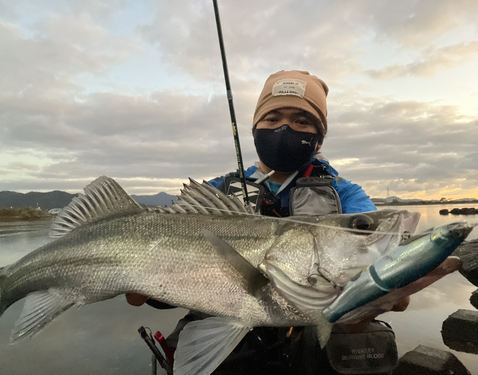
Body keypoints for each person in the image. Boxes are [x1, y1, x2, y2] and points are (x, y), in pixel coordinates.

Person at [126, 70, 409, 374]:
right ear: (255, 128)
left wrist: (373, 300)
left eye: (302, 120)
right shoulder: (213, 193)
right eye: (273, 118)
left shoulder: (346, 195)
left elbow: (390, 283)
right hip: (224, 336)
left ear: (319, 138)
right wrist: (145, 284)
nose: (284, 127)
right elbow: (145, 291)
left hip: (312, 345)